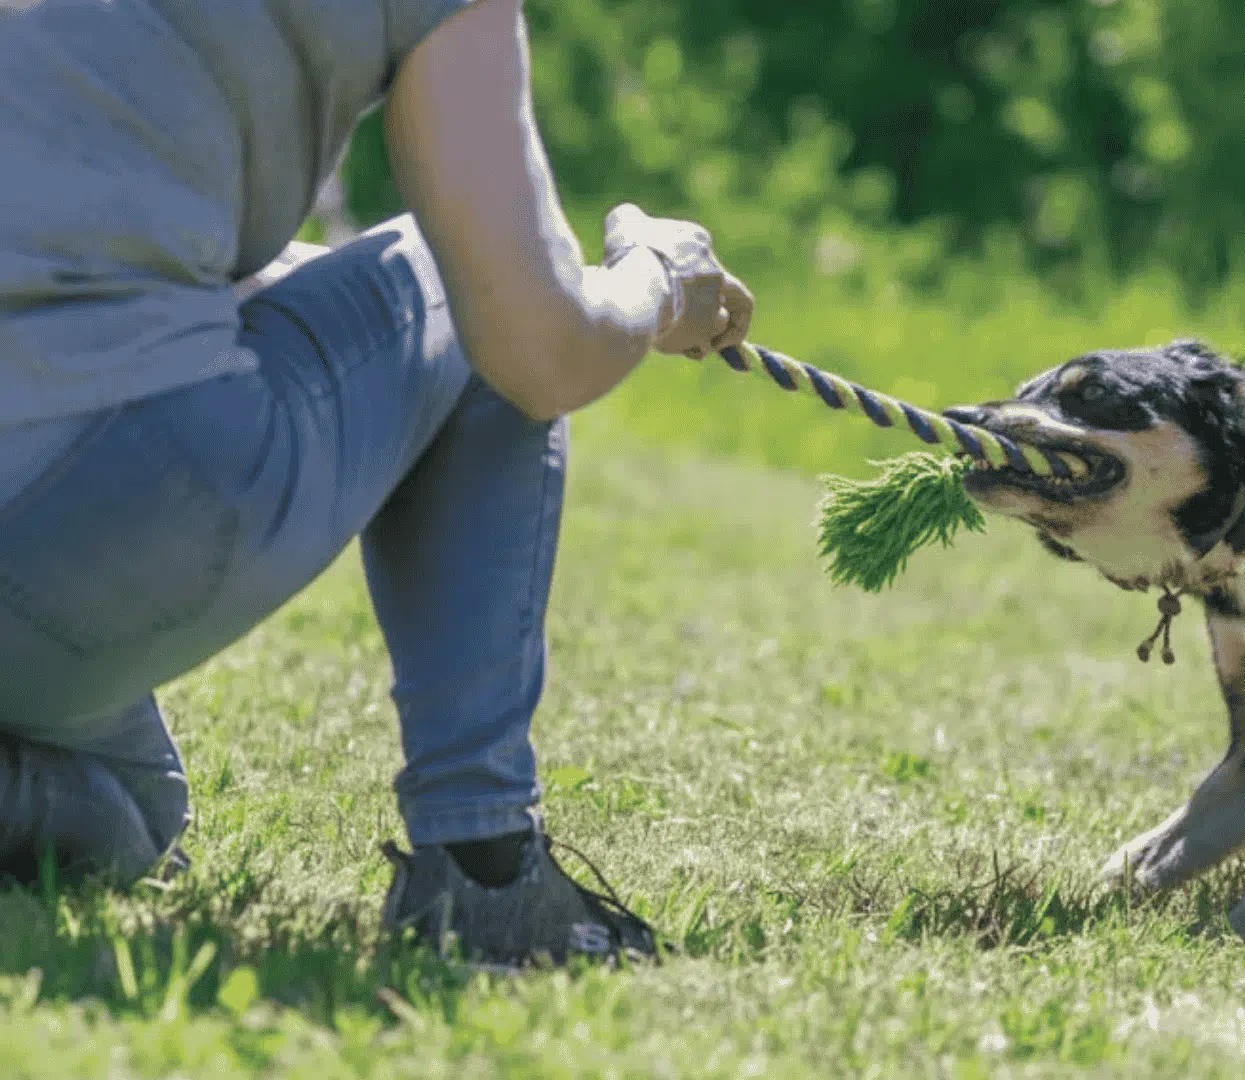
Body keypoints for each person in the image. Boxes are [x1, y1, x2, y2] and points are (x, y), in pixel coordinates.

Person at [0, 0, 752, 966]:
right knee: (467, 273)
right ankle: (484, 870)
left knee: (135, 810)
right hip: (79, 513)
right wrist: (656, 279)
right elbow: (534, 344)